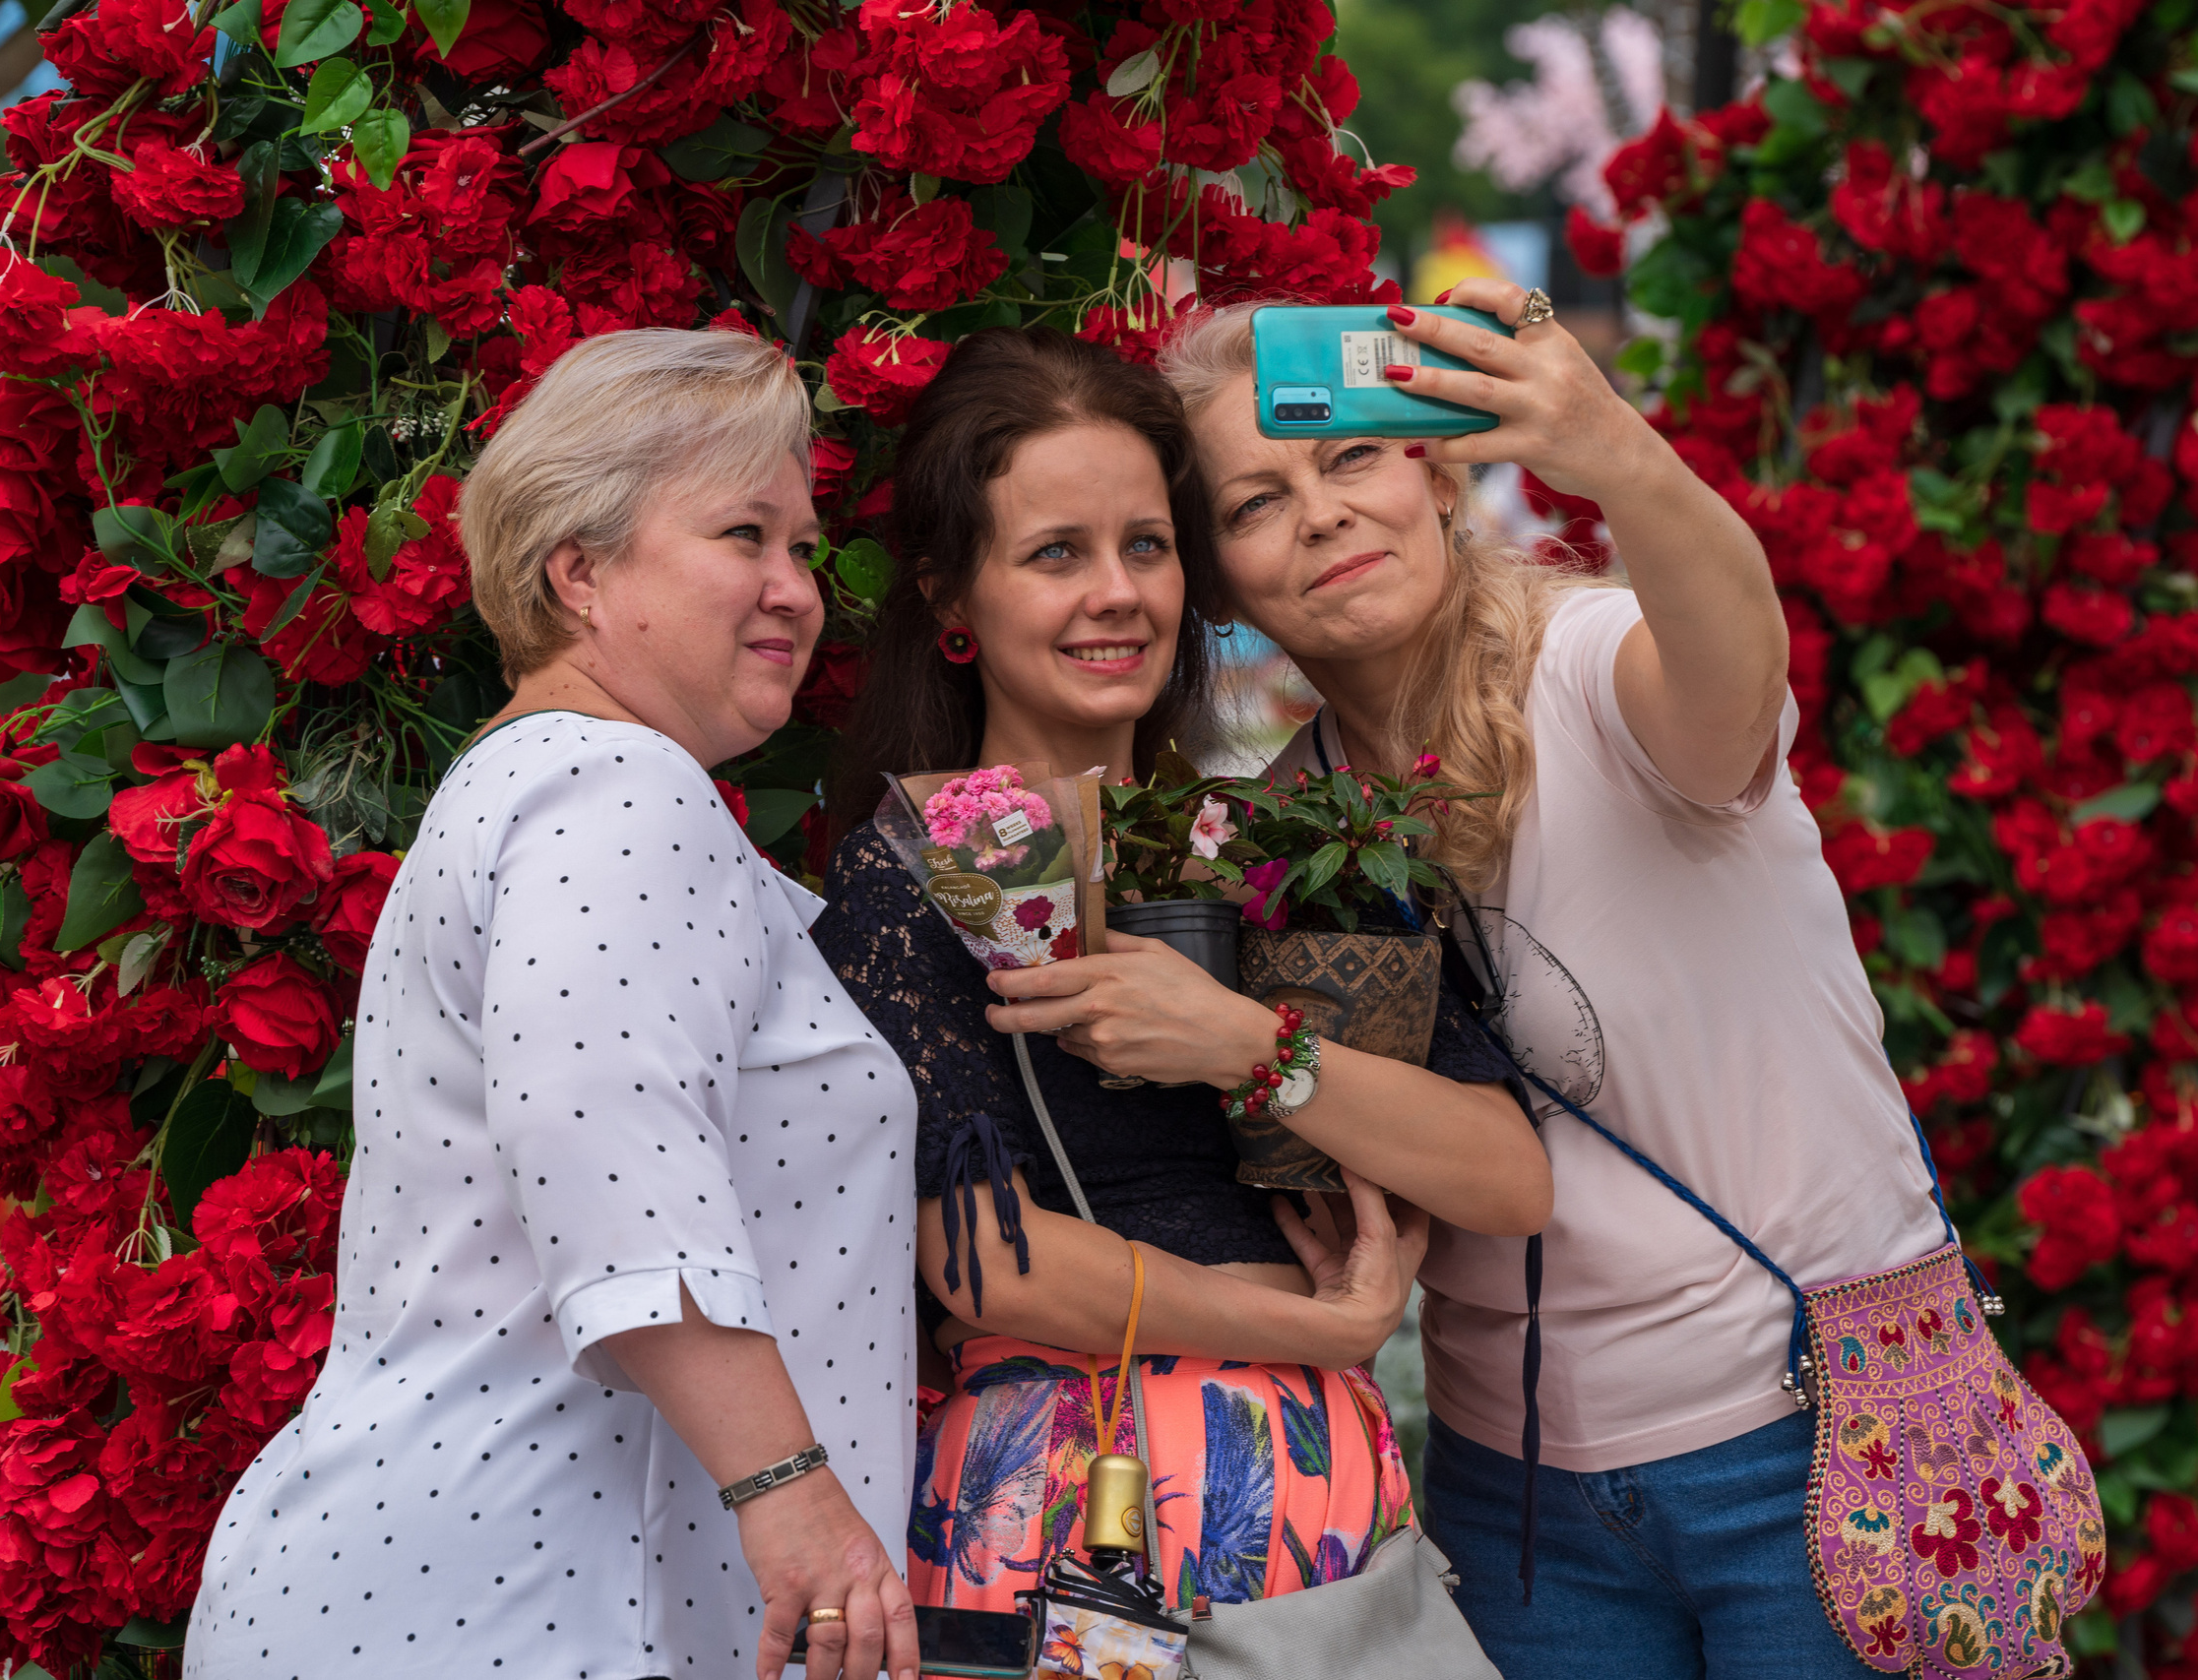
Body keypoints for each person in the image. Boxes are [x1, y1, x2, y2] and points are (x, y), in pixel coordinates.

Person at [1157, 288, 1954, 1677]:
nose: (1324, 514)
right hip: (1521, 1500)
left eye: (1353, 456)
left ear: (1435, 474)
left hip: (1816, 1438)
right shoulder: (1284, 828)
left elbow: (1733, 680)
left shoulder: (1588, 666)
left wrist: (1620, 456)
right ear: (1214, 581)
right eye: (1256, 502)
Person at [187, 329, 922, 1680]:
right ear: (579, 574)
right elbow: (616, 1161)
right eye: (745, 535)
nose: (796, 589)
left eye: (804, 547)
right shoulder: (619, 789)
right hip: (525, 1605)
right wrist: (794, 1495)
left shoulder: (542, 783)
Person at [809, 327, 1551, 1614]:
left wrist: (1248, 1046)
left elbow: (1507, 1175)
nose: (1119, 593)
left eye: (1146, 546)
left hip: (1312, 1495)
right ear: (951, 600)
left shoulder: (1289, 841)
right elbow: (988, 1265)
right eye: (1057, 553)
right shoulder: (916, 868)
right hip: (1060, 1506)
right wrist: (1317, 1327)